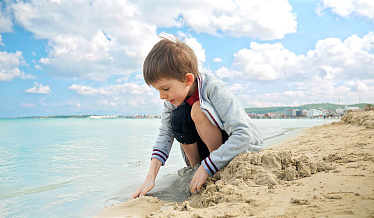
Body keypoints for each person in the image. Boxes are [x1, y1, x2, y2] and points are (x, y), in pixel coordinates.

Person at [130, 36, 263, 199]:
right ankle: (196, 168)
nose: (161, 96)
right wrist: (150, 178)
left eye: (165, 88)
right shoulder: (171, 101)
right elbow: (165, 135)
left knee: (197, 109)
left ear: (187, 79)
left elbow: (243, 134)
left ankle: (215, 167)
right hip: (205, 156)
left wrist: (209, 166)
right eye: (157, 90)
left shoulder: (213, 89)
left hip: (234, 148)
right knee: (178, 117)